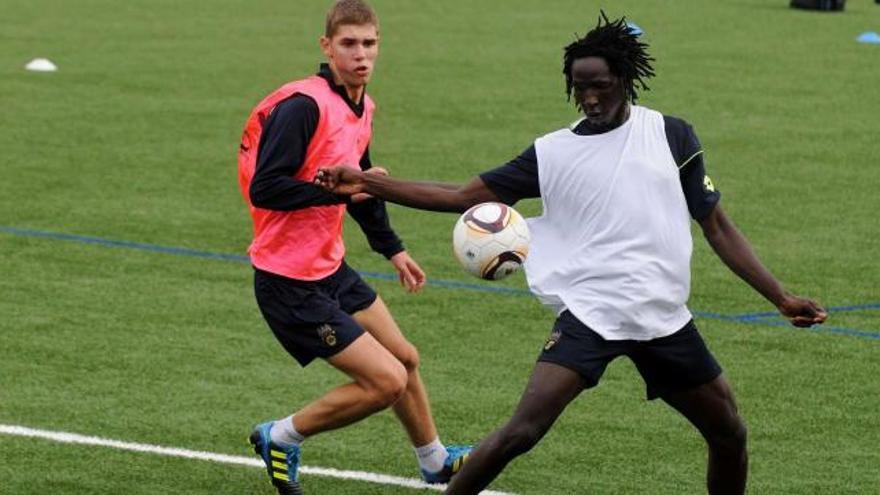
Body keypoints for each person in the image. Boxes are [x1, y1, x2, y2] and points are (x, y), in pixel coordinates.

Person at [315, 12, 828, 495]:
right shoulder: (552, 152)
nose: (587, 98)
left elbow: (715, 224)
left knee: (729, 432)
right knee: (522, 432)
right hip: (592, 312)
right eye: (579, 87)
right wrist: (364, 181)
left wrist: (779, 296)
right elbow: (462, 197)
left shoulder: (671, 135)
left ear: (625, 79)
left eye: (599, 86)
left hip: (662, 317)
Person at [237, 1, 470, 493]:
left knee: (405, 359)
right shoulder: (305, 106)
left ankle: (433, 462)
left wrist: (394, 250)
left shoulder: (362, 105)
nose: (360, 54)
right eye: (349, 44)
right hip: (288, 281)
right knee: (386, 381)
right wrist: (337, 190)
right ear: (327, 47)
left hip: (329, 269)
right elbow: (267, 187)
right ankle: (280, 437)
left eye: (369, 44)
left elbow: (362, 186)